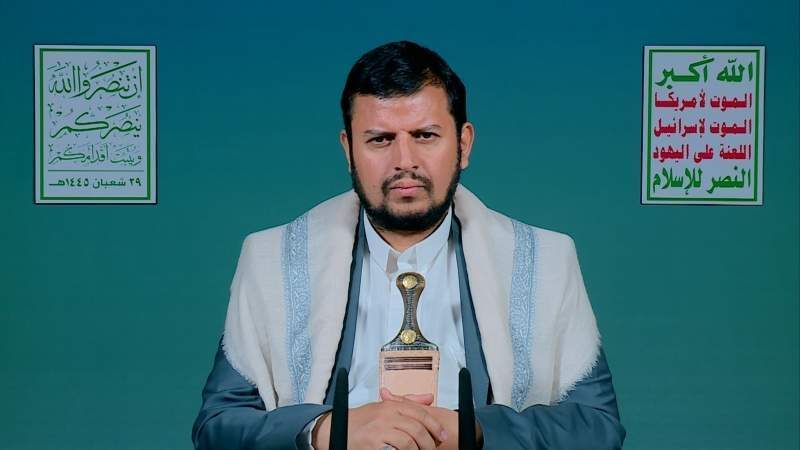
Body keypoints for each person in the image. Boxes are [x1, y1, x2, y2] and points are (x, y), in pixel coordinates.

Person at [192, 40, 626, 450]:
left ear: (463, 144)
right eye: (380, 139)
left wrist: (477, 433)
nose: (405, 162)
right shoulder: (271, 258)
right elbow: (218, 426)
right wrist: (325, 430)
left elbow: (597, 426)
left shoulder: (545, 259)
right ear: (348, 150)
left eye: (425, 136)